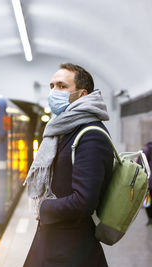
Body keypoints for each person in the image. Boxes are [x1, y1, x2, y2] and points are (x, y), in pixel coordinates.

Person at [24, 63, 113, 266]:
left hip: (70, 249)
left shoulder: (90, 134)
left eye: (62, 86)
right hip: (55, 242)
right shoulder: (65, 128)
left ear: (82, 94)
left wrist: (44, 206)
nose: (54, 91)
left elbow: (84, 201)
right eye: (52, 85)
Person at [140, 142, 152, 225]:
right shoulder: (146, 149)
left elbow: (139, 164)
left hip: (148, 180)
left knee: (148, 200)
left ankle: (150, 218)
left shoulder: (145, 149)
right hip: (149, 180)